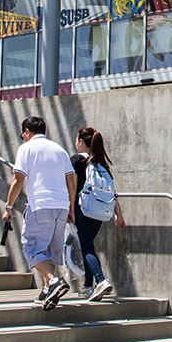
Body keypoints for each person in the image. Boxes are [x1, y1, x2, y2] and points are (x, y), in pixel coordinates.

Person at [2, 116, 76, 310]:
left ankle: (52, 281)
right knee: (50, 251)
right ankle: (47, 291)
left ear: (27, 131)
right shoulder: (60, 150)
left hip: (40, 205)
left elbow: (18, 179)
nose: (23, 137)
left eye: (22, 134)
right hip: (61, 206)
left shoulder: (26, 149)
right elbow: (71, 179)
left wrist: (8, 207)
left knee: (31, 247)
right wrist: (71, 207)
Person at [71, 126, 126, 301]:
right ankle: (88, 286)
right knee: (88, 247)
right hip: (100, 212)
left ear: (81, 141)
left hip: (83, 210)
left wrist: (68, 208)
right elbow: (112, 191)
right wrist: (118, 214)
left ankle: (101, 281)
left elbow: (71, 186)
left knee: (87, 248)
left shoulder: (77, 161)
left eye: (76, 140)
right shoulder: (101, 163)